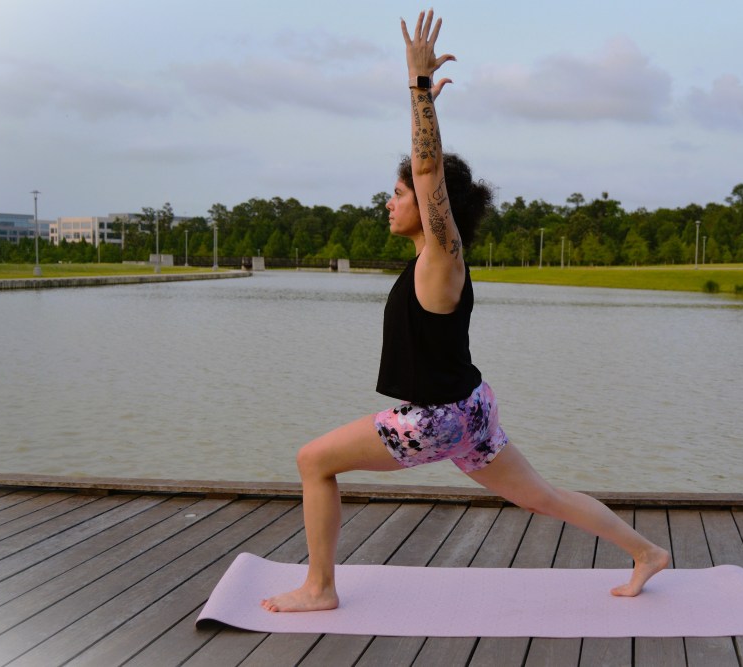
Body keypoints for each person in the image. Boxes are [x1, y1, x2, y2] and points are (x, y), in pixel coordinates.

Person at [261, 10, 669, 613]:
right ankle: (647, 553)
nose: (390, 201)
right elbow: (427, 177)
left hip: (437, 419)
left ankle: (320, 589)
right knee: (543, 496)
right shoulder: (434, 257)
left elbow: (428, 172)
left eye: (398, 194)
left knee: (312, 462)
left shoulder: (441, 260)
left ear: (427, 207)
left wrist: (418, 88)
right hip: (469, 408)